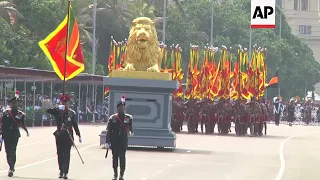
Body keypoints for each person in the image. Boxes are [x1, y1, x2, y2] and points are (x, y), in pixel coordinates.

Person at [47, 94, 82, 179]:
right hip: (59, 136)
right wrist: (57, 108)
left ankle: (65, 172)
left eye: (66, 102)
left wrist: (79, 135)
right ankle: (61, 171)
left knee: (66, 155)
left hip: (68, 136)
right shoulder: (58, 111)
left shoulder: (71, 113)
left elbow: (75, 125)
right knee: (59, 154)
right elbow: (48, 111)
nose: (65, 104)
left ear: (68, 103)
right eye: (63, 102)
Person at [0, 97, 29, 177]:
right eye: (13, 103)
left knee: (13, 150)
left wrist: (26, 131)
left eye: (16, 103)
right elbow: (2, 123)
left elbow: (22, 124)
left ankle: (11, 167)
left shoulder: (20, 114)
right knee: (8, 151)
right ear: (11, 104)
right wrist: (0, 132)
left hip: (15, 135)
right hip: (6, 134)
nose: (14, 105)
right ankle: (11, 165)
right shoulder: (6, 113)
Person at [106, 96, 133, 180]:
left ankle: (121, 174)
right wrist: (107, 141)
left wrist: (131, 132)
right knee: (115, 158)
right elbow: (109, 130)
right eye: (120, 107)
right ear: (117, 108)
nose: (122, 108)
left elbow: (131, 128)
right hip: (114, 141)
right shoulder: (112, 118)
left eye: (123, 107)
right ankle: (115, 174)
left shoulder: (128, 118)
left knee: (122, 158)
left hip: (123, 141)